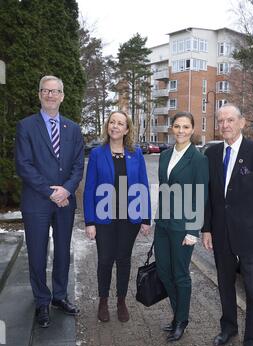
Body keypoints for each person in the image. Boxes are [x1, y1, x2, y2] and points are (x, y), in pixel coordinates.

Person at [202, 104, 253, 346]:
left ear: (242, 122)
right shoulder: (211, 154)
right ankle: (228, 327)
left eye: (230, 120)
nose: (225, 125)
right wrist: (206, 228)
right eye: (220, 121)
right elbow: (208, 196)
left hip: (251, 236)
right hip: (221, 233)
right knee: (224, 285)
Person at [15, 75, 84, 328]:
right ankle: (42, 301)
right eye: (46, 91)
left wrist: (66, 190)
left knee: (64, 251)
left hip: (64, 202)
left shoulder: (72, 128)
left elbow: (78, 165)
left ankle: (60, 296)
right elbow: (23, 164)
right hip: (37, 202)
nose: (51, 95)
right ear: (39, 95)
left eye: (55, 91)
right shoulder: (26, 126)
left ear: (62, 96)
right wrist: (50, 192)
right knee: (37, 252)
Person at [83, 111, 151, 323]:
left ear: (127, 129)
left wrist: (146, 218)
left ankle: (121, 300)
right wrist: (90, 222)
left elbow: (143, 185)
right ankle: (103, 301)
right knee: (104, 260)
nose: (115, 126)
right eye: (112, 122)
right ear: (108, 126)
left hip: (128, 218)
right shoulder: (97, 154)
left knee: (123, 260)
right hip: (104, 217)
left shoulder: (135, 153)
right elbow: (89, 189)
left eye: (120, 123)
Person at [154, 112, 209, 342]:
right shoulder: (165, 155)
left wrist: (193, 231)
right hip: (163, 224)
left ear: (192, 130)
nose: (181, 131)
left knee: (180, 274)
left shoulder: (198, 159)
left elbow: (201, 195)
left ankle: (181, 320)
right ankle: (177, 314)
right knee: (164, 272)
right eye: (177, 126)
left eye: (186, 127)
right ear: (172, 128)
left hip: (183, 226)